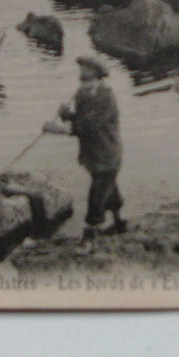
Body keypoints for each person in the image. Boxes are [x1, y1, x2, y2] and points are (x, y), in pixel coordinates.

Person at [44, 56, 127, 248]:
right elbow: (81, 119)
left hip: (107, 154)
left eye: (88, 81)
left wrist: (58, 129)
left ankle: (90, 237)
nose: (84, 85)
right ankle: (119, 223)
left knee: (97, 194)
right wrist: (68, 115)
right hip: (92, 154)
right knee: (109, 188)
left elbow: (89, 126)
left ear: (99, 78)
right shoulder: (82, 94)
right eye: (82, 81)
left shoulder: (106, 98)